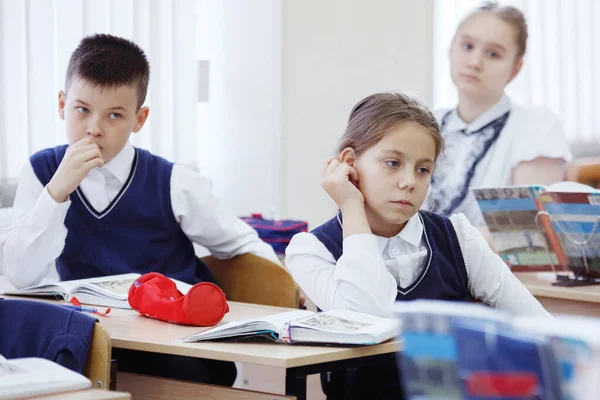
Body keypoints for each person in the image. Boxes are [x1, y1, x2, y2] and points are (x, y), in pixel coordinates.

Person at [1, 33, 280, 386]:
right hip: (94, 337)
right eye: (82, 109)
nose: (94, 129)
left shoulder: (173, 181)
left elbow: (242, 245)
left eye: (114, 115)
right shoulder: (42, 172)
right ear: (61, 104)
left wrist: (287, 288)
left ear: (139, 119)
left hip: (173, 348)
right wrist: (57, 192)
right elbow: (19, 274)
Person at [285, 92, 550, 399]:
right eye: (393, 163)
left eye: (423, 169)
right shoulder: (310, 250)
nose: (409, 181)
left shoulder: (458, 237)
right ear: (349, 164)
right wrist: (351, 205)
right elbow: (368, 316)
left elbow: (537, 323)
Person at [427, 1, 572, 227]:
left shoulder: (537, 127)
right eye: (467, 46)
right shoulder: (424, 122)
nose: (474, 62)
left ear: (515, 68)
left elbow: (524, 231)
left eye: (493, 54)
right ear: (450, 48)